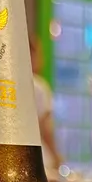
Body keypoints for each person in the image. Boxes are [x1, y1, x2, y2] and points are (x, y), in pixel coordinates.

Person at [30, 36, 64, 174]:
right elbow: (45, 128)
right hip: (39, 159)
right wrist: (56, 157)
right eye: (39, 54)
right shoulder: (38, 86)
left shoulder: (5, 85)